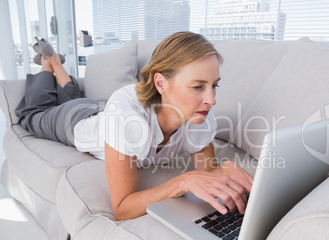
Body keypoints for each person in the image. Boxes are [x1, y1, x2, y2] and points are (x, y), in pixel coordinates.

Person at [15, 32, 253, 220]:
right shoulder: (127, 118)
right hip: (78, 120)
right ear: (161, 83)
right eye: (198, 86)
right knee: (33, 114)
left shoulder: (200, 117)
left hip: (107, 109)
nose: (212, 100)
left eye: (215, 85)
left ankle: (57, 65)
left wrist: (224, 170)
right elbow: (122, 207)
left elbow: (206, 176)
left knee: (75, 97)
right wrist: (181, 181)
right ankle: (49, 64)